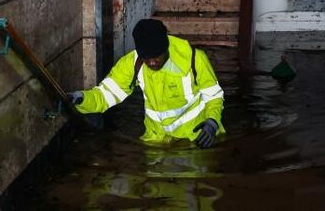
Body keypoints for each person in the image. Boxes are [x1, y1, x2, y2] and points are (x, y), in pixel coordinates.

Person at [69, 19, 225, 147]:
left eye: (156, 56)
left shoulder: (195, 60)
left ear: (166, 48)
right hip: (155, 140)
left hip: (197, 138)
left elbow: (214, 97)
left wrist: (211, 123)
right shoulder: (133, 63)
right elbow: (105, 95)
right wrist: (82, 99)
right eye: (146, 57)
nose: (151, 62)